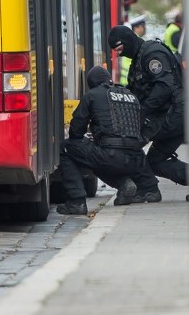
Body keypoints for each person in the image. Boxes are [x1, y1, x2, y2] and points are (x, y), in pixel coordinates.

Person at [108, 25, 189, 202]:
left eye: (120, 49)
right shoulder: (139, 60)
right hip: (172, 114)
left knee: (134, 143)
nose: (120, 54)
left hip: (177, 115)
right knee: (155, 161)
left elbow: (164, 87)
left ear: (127, 41)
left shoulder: (152, 54)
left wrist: (143, 112)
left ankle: (147, 189)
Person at [56, 66, 160, 215]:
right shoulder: (131, 95)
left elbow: (76, 131)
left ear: (92, 83)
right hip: (137, 159)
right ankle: (136, 186)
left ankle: (76, 201)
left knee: (67, 148)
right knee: (106, 154)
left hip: (110, 156)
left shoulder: (92, 95)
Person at [118, 14, 147, 85]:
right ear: (137, 28)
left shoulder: (131, 39)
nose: (144, 29)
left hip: (127, 79)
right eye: (143, 27)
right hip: (130, 80)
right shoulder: (137, 41)